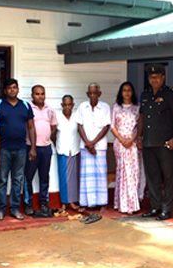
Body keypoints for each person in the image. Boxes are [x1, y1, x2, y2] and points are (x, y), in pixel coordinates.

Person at [138, 64, 173, 221]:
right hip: (149, 143)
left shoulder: (170, 94)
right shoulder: (145, 94)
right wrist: (139, 137)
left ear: (163, 77)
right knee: (153, 177)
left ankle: (167, 209)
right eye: (151, 77)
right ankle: (155, 207)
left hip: (165, 143)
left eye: (157, 76)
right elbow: (142, 118)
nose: (154, 79)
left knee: (168, 177)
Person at [0, 78, 36, 221]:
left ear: (18, 89)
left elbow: (31, 127)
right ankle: (0, 210)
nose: (12, 90)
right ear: (5, 91)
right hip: (3, 149)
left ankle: (15, 209)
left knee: (18, 180)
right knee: (2, 180)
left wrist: (33, 148)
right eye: (9, 88)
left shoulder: (25, 105)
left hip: (21, 150)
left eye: (14, 87)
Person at [76, 83, 111, 213]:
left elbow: (106, 127)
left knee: (100, 174)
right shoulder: (82, 107)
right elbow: (79, 126)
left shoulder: (105, 107)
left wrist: (93, 143)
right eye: (90, 93)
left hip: (100, 147)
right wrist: (88, 143)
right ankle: (85, 203)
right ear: (87, 94)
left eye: (95, 93)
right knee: (86, 176)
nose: (92, 95)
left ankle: (102, 203)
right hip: (85, 147)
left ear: (99, 94)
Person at [24, 85, 57, 217]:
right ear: (32, 95)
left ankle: (44, 203)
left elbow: (53, 127)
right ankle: (28, 204)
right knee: (28, 177)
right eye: (37, 94)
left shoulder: (51, 110)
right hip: (30, 148)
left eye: (42, 94)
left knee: (44, 177)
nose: (40, 96)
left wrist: (48, 137)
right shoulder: (28, 108)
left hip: (46, 148)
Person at [111, 82, 141, 215]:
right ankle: (122, 204)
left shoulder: (137, 108)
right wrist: (122, 140)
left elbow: (139, 126)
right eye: (124, 90)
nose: (127, 93)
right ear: (121, 92)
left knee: (132, 173)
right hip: (120, 143)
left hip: (132, 143)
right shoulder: (116, 107)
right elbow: (112, 126)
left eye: (129, 90)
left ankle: (132, 204)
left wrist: (132, 139)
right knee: (122, 173)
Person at [55, 95, 80, 211]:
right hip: (62, 150)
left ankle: (73, 202)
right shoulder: (57, 116)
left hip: (74, 150)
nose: (67, 107)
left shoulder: (77, 116)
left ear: (73, 105)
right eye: (65, 105)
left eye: (69, 104)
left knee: (73, 178)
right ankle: (64, 203)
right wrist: (57, 145)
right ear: (62, 105)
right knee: (63, 178)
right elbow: (53, 134)